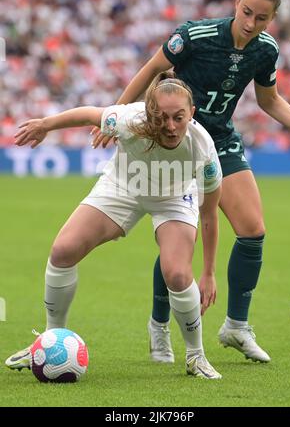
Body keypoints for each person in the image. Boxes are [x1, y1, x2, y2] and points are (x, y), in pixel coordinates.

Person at [94, 0, 290, 364]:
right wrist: (115, 116)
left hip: (220, 139)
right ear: (236, 2)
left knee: (253, 231)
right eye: (246, 12)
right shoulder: (196, 35)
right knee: (179, 236)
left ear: (272, 20)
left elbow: (270, 100)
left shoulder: (266, 50)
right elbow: (151, 69)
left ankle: (236, 326)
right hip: (178, 142)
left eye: (261, 18)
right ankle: (158, 326)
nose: (251, 22)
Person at [5, 73, 223, 379]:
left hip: (174, 197)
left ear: (192, 114)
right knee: (63, 250)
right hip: (123, 186)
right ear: (149, 114)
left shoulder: (204, 149)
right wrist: (45, 124)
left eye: (178, 117)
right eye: (161, 118)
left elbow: (211, 213)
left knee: (176, 273)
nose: (170, 126)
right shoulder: (129, 119)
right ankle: (50, 340)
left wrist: (209, 272)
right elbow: (89, 114)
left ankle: (195, 356)